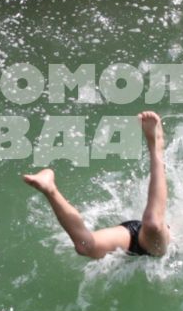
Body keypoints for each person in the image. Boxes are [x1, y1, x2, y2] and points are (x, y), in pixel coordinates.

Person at [21, 110, 171, 260]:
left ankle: (49, 189)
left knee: (83, 246)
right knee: (152, 224)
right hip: (147, 239)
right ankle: (156, 145)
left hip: (160, 240)